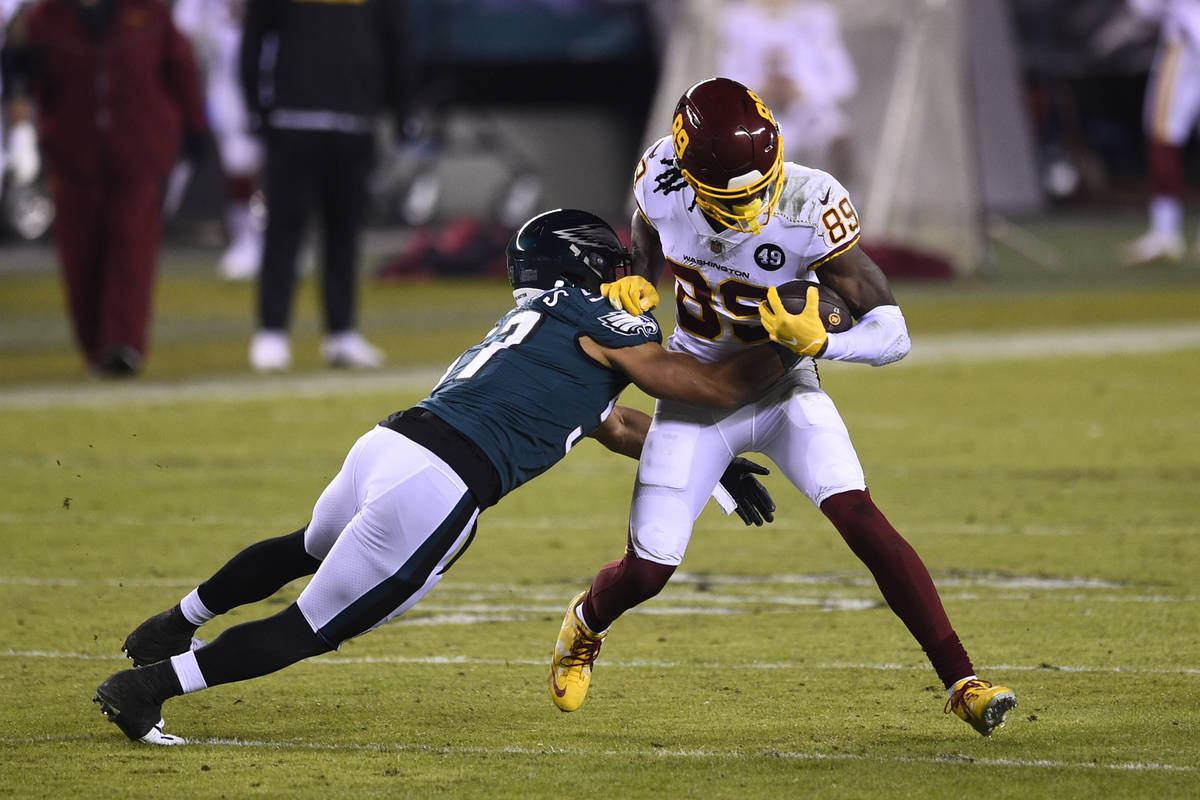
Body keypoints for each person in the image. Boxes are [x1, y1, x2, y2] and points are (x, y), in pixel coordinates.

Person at [92, 208, 788, 745]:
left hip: (387, 446)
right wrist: (791, 343)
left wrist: (715, 462)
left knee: (307, 546)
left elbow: (617, 426)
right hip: (439, 482)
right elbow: (708, 390)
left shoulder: (541, 320)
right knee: (310, 628)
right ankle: (148, 686)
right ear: (591, 266)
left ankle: (175, 623)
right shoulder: (607, 320)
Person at [548, 78, 1017, 737]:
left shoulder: (812, 202)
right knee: (650, 568)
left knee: (859, 514)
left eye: (760, 185)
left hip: (782, 383)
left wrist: (829, 340)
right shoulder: (661, 175)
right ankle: (586, 622)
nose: (752, 207)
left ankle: (962, 681)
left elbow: (896, 333)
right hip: (695, 386)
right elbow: (647, 229)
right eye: (730, 198)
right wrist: (636, 272)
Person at [11, 0, 207, 377]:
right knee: (80, 254)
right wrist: (22, 131)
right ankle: (94, 346)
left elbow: (180, 68)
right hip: (73, 154)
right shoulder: (44, 18)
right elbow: (24, 78)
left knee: (131, 247)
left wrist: (194, 127)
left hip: (138, 147)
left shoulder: (148, 11)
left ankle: (123, 345)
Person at [240, 0, 410, 372]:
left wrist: (401, 110)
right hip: (294, 117)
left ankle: (342, 333)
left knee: (344, 233)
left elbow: (394, 39)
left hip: (355, 120)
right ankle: (271, 332)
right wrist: (255, 105)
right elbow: (255, 35)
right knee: (284, 230)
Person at [172, 0, 264, 281]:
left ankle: (282, 238)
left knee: (285, 167)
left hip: (276, 74)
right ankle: (246, 241)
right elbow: (181, 26)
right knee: (238, 167)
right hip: (228, 79)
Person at [717, 0, 857, 182]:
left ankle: (847, 196)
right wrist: (760, 89)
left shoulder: (815, 19)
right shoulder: (737, 22)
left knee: (835, 136)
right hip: (761, 115)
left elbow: (843, 80)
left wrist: (803, 91)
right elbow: (726, 82)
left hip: (810, 111)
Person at [1124, 0, 1200, 265]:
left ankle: (1165, 231)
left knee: (1163, 135)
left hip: (1186, 43)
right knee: (1163, 136)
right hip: (1187, 37)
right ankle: (1165, 230)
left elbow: (1144, 7)